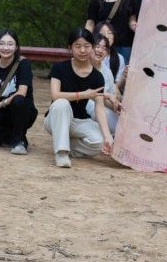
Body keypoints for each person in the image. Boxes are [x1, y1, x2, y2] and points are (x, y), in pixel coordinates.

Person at [43, 28, 114, 168]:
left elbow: (99, 108)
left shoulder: (97, 77)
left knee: (100, 142)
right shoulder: (59, 68)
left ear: (92, 47)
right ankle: (61, 152)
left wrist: (108, 136)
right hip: (56, 118)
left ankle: (67, 144)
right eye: (78, 46)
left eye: (87, 46)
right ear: (70, 48)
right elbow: (55, 95)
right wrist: (84, 94)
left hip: (79, 121)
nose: (82, 50)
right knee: (61, 103)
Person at [86, 33, 124, 135]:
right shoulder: (83, 66)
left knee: (123, 121)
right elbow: (88, 93)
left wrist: (116, 105)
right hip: (88, 105)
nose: (100, 50)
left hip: (105, 106)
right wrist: (109, 99)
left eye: (104, 48)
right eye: (97, 46)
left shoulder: (107, 71)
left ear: (107, 52)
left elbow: (112, 95)